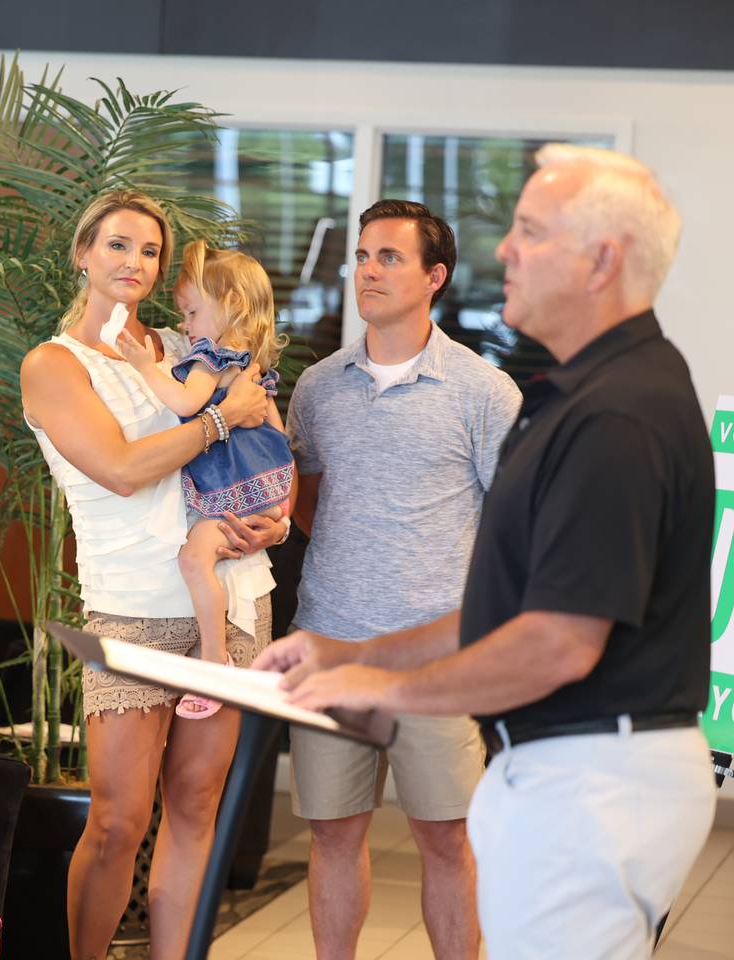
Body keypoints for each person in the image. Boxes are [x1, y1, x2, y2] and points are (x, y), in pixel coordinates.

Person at [257, 146, 714, 960]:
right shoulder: (573, 395)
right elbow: (508, 601)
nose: (504, 250)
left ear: (602, 259)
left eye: (530, 232)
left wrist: (385, 678)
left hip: (599, 773)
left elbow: (557, 636)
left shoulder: (611, 413)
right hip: (559, 763)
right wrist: (351, 652)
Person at [20, 189, 288, 959]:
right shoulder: (55, 365)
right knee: (117, 820)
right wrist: (215, 421)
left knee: (197, 804)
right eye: (118, 246)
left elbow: (266, 427)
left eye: (149, 252)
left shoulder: (184, 342)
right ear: (83, 253)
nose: (134, 262)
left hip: (233, 597)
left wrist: (279, 510)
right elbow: (124, 470)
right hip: (132, 608)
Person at [277, 198, 520, 960]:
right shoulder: (318, 387)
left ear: (434, 276)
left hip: (437, 663)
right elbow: (307, 499)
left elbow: (513, 530)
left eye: (389, 257)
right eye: (362, 255)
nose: (368, 270)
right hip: (330, 649)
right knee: (332, 836)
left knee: (447, 839)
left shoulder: (484, 392)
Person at [117, 240, 295, 718]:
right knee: (202, 559)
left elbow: (183, 404)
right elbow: (279, 437)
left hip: (228, 497)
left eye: (192, 312)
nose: (185, 325)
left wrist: (142, 366)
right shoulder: (254, 367)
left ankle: (214, 662)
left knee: (194, 561)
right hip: (263, 495)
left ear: (231, 305)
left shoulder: (211, 359)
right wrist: (277, 507)